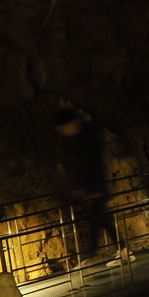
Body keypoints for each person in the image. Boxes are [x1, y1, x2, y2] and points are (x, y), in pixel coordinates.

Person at [53, 108, 133, 265]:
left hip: (96, 187)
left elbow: (93, 166)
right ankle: (113, 251)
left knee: (99, 219)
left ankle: (108, 251)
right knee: (99, 219)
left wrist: (92, 189)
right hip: (94, 187)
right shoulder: (85, 137)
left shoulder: (87, 139)